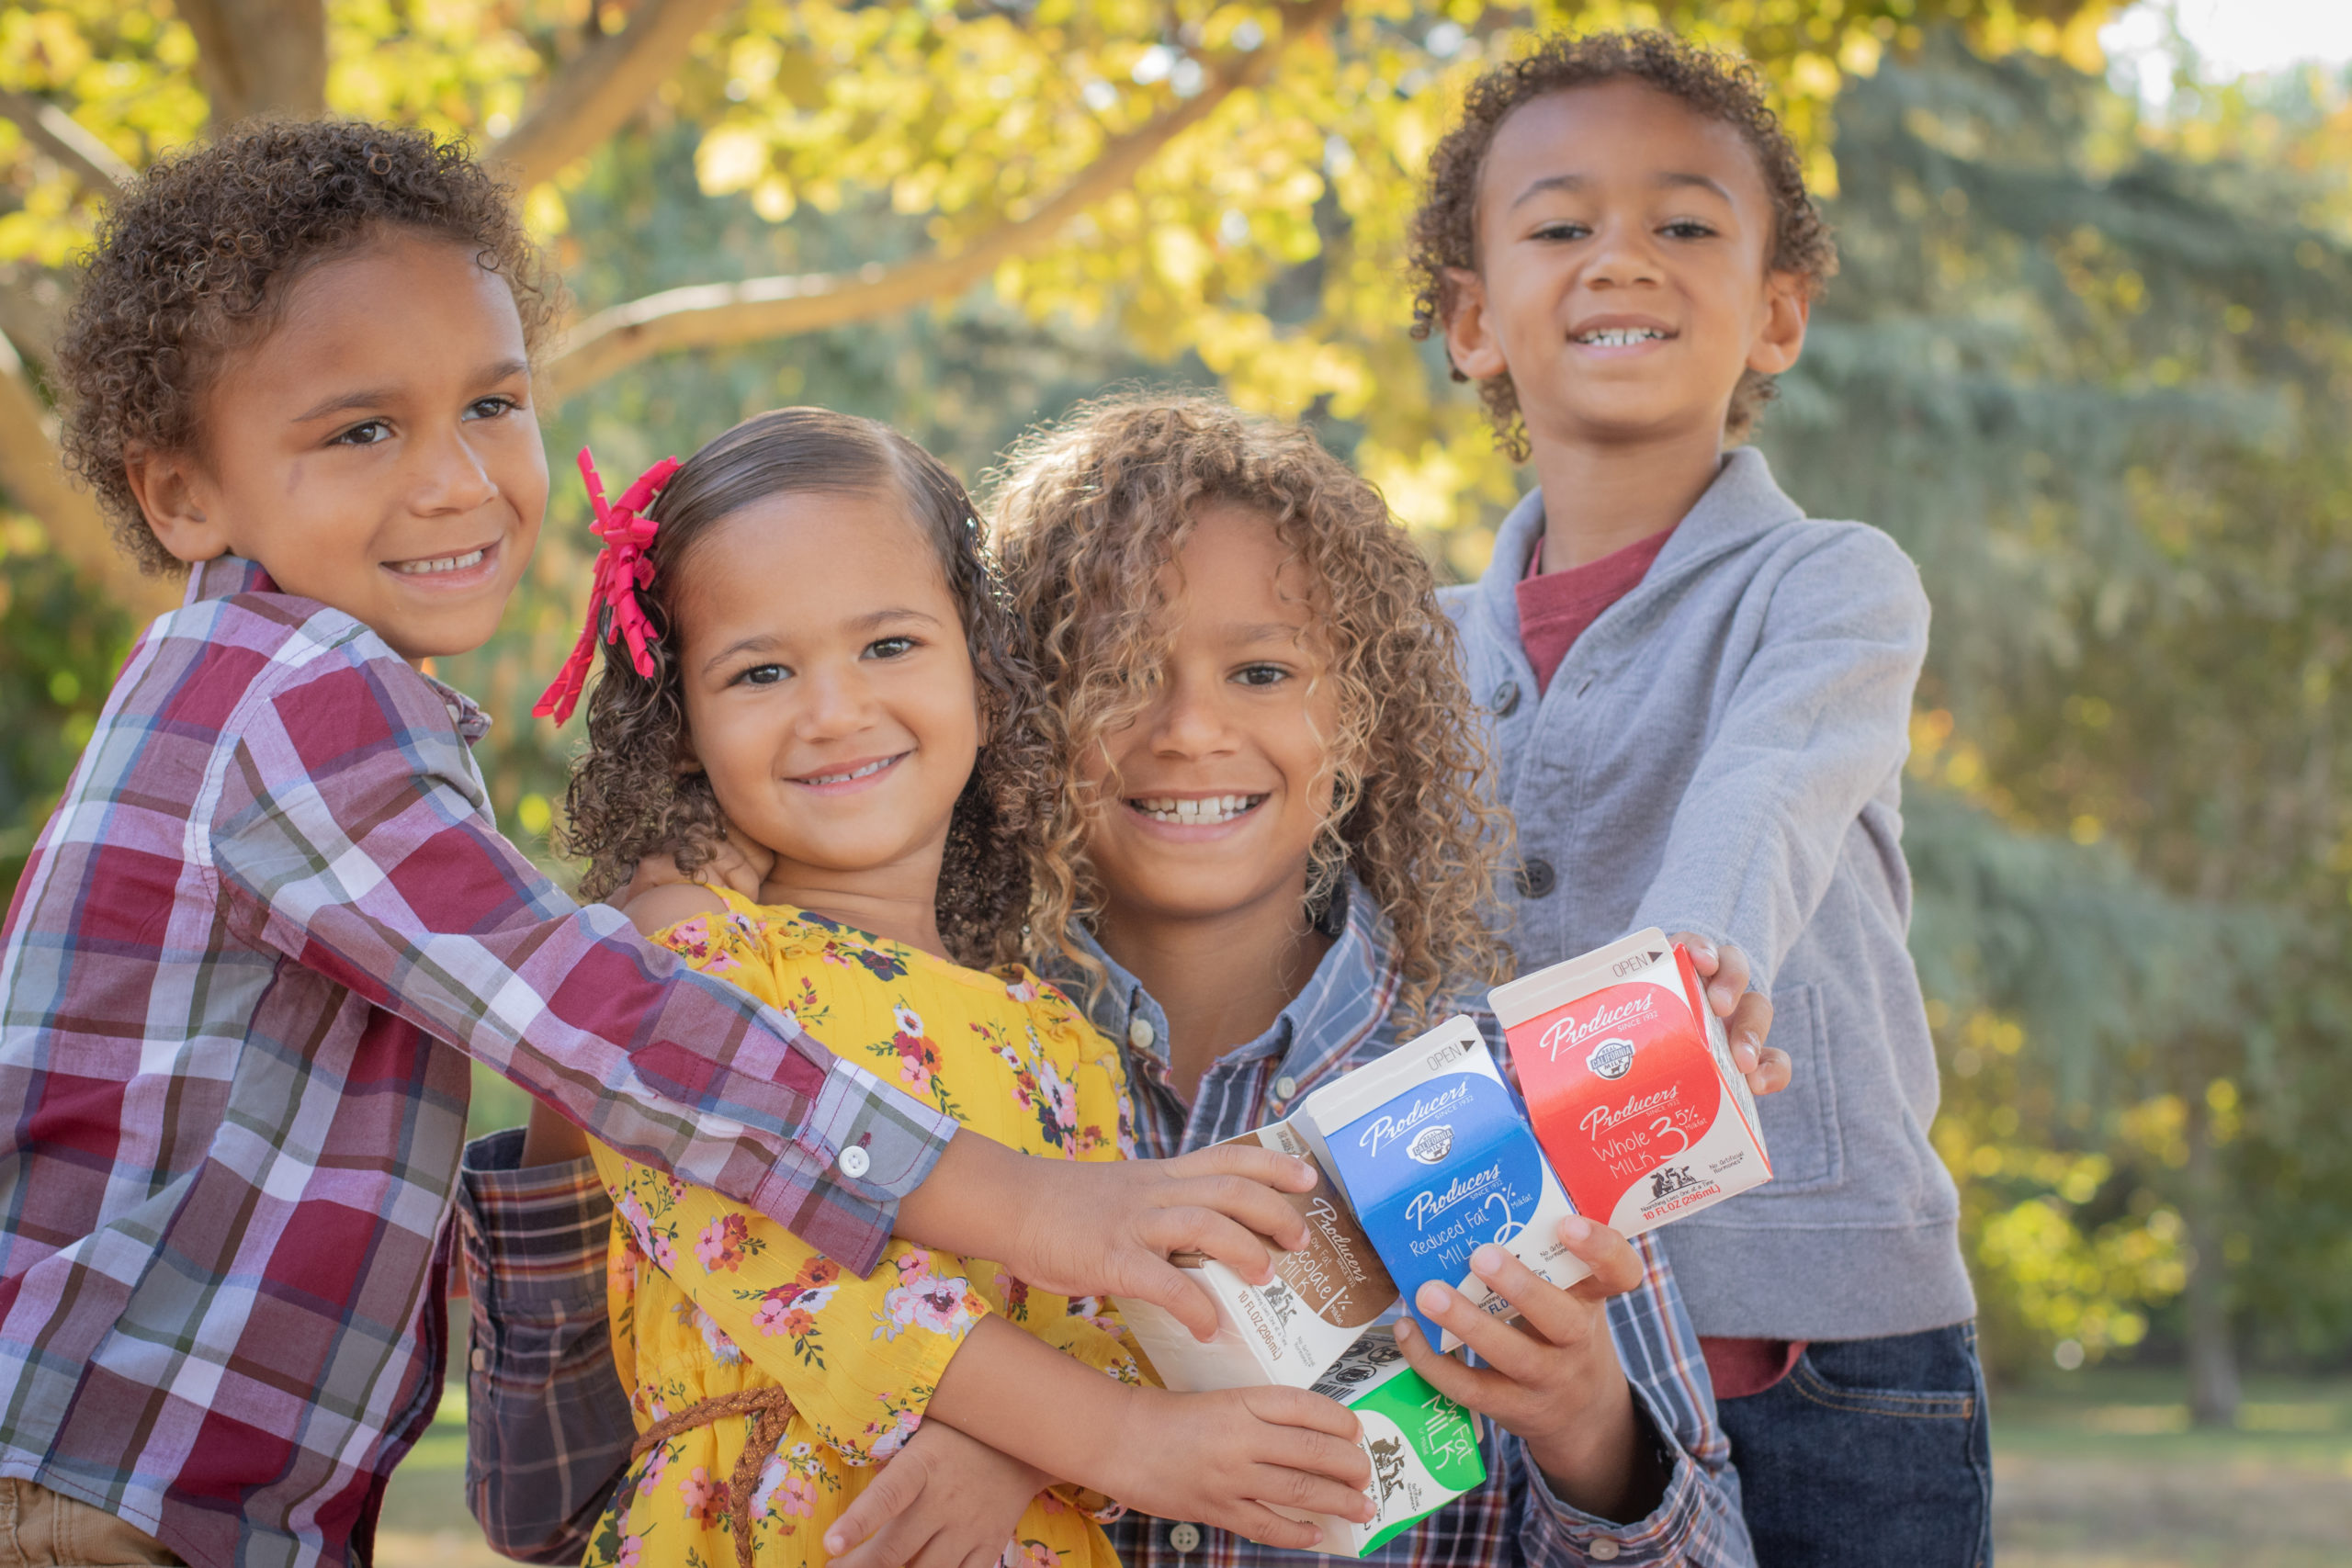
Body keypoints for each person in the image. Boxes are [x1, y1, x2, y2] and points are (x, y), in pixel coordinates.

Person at [0, 122, 1319, 1568]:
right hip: (87, 1489)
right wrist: (1044, 1213)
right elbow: (604, 1023)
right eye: (362, 428)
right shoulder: (286, 695)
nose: (457, 479)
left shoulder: (1051, 1027)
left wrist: (1048, 1411)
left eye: (493, 403)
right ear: (181, 490)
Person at [462, 396, 1785, 1568]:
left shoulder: (1499, 1090)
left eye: (1261, 670)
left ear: (1362, 712)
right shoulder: (841, 1019)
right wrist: (609, 1048)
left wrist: (1584, 1422)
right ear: (1019, 698)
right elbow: (547, 1493)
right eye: (1120, 676)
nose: (1190, 728)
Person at [512, 407, 1380, 1568]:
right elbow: (785, 1276)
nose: (835, 711)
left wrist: (1016, 1447)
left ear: (981, 665)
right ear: (682, 729)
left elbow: (1109, 1318)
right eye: (762, 670)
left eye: (888, 646)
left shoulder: (1056, 1034)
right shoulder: (695, 976)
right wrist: (1121, 1438)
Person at [1412, 31, 1987, 1565]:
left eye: (1682, 224)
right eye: (1558, 226)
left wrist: (1688, 975)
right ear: (1474, 318)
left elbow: (1772, 790)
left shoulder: (1829, 582)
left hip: (1817, 1364)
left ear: (1777, 313)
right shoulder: (1411, 646)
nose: (1622, 260)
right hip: (1515, 1360)